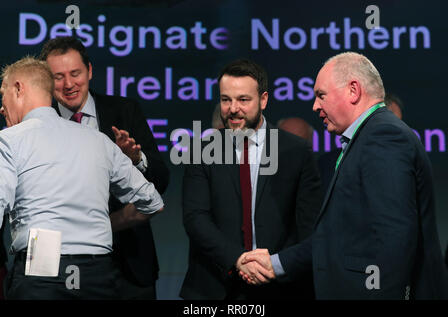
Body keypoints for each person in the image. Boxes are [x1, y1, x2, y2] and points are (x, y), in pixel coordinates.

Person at [240, 52, 448, 299]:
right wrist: (275, 263)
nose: (315, 106)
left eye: (321, 95)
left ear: (353, 90)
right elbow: (339, 236)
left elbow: (394, 240)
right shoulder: (367, 138)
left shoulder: (383, 137)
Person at [0, 57, 164, 299]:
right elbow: (153, 201)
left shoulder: (9, 140)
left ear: (18, 88)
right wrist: (92, 224)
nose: (2, 108)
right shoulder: (98, 141)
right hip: (97, 273)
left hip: (40, 268)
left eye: (2, 95)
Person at [39, 36, 170, 300]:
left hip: (129, 265)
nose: (69, 85)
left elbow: (161, 180)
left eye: (75, 73)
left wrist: (135, 160)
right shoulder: (40, 123)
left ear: (89, 70)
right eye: (58, 77)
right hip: (62, 266)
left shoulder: (125, 110)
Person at [180, 59, 322, 299]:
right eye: (226, 100)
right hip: (214, 287)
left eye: (243, 100)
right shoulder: (200, 151)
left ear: (263, 100)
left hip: (280, 287)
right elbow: (195, 218)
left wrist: (274, 265)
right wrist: (238, 259)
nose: (233, 108)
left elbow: (308, 228)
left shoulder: (296, 152)